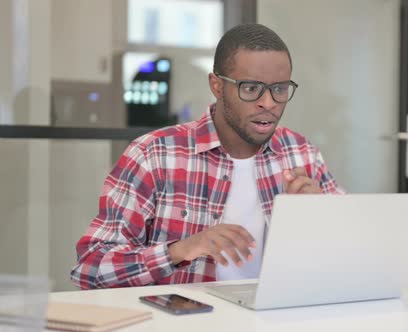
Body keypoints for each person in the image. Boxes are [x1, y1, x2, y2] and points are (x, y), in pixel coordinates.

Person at [70, 23, 344, 289]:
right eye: (250, 88)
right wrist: (180, 250)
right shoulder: (154, 154)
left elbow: (349, 255)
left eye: (280, 89)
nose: (269, 103)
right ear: (216, 86)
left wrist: (320, 218)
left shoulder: (302, 153)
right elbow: (90, 267)